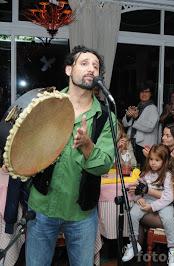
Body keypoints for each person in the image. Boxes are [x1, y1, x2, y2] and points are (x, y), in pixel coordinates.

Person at [25, 46, 116, 266]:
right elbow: (27, 147)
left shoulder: (106, 117)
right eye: (84, 63)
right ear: (68, 70)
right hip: (42, 205)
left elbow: (103, 165)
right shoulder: (46, 104)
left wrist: (87, 146)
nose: (91, 69)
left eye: (96, 66)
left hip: (82, 213)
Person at [123, 144, 174, 265]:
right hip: (146, 200)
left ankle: (173, 250)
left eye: (157, 160)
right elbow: (136, 189)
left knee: (168, 218)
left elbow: (168, 198)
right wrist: (138, 198)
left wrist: (152, 207)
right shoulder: (145, 173)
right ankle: (134, 244)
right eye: (151, 159)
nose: (153, 163)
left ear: (164, 162)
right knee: (132, 213)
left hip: (164, 204)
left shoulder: (167, 175)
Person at [122, 82, 159, 168]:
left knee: (142, 169)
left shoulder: (153, 108)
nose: (144, 94)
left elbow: (150, 127)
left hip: (144, 145)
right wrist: (128, 116)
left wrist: (136, 118)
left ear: (151, 94)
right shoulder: (138, 106)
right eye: (142, 92)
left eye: (147, 92)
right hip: (133, 143)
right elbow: (124, 123)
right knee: (132, 167)